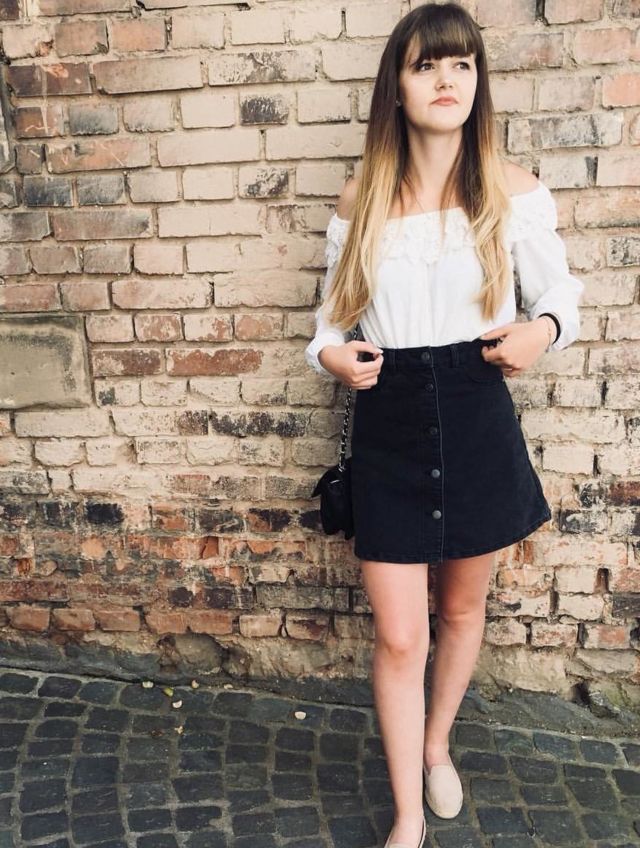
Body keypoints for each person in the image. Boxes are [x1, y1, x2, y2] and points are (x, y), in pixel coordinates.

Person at [304, 3, 585, 847]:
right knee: (400, 635)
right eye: (427, 65)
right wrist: (333, 357)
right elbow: (328, 325)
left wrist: (540, 331)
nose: (447, 80)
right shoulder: (362, 200)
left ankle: (435, 747)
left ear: (478, 81)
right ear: (397, 85)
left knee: (462, 610)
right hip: (388, 414)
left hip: (475, 404)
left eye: (462, 64)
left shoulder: (511, 189)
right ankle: (405, 818)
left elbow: (562, 296)